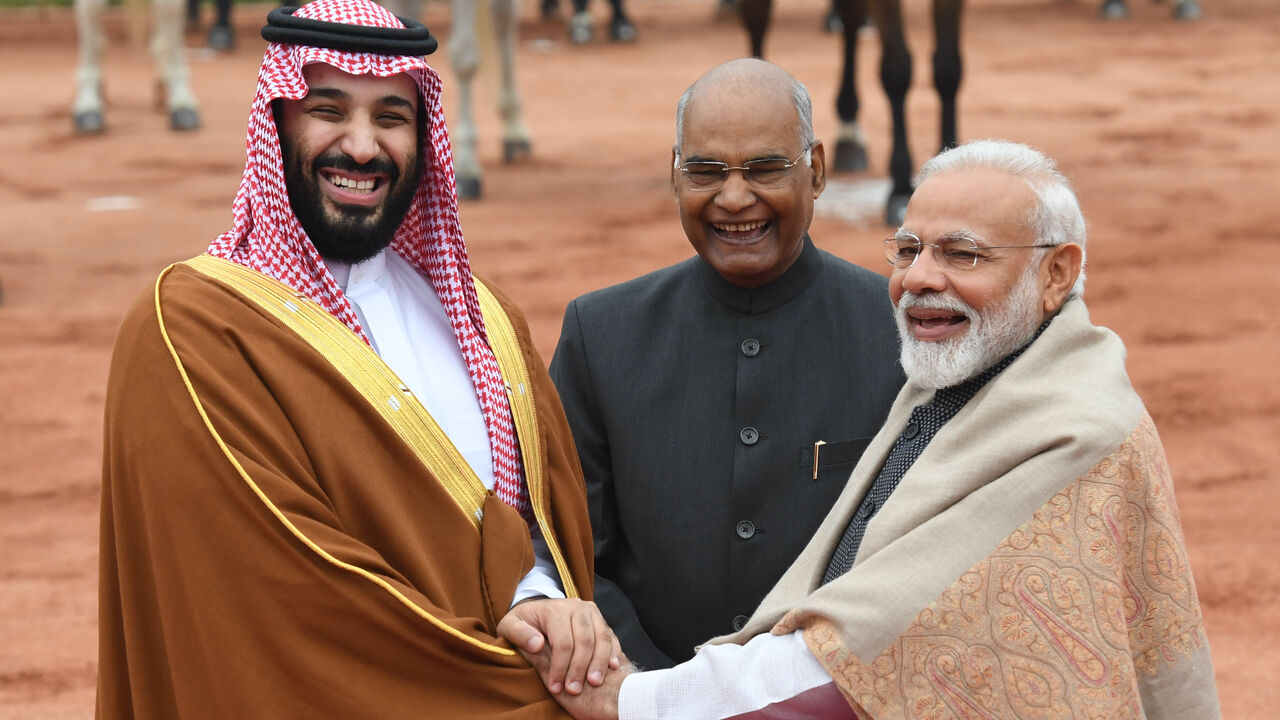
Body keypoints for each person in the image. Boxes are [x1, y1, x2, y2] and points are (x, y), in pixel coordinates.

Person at [529, 139, 1223, 719]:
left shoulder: (1073, 434)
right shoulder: (958, 376)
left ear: (1056, 273)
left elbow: (854, 656)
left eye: (963, 254)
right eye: (909, 249)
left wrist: (639, 701)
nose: (919, 279)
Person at [97, 1, 619, 716]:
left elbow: (534, 530)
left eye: (391, 118)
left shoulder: (487, 320)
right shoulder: (190, 330)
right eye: (330, 109)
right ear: (277, 123)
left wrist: (545, 607)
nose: (363, 147)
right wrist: (520, 687)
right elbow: (279, 601)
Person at [548, 57, 904, 671]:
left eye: (765, 168)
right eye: (706, 171)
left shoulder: (900, 336)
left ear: (815, 171)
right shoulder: (600, 335)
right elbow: (571, 553)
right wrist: (665, 691)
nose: (735, 198)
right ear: (675, 177)